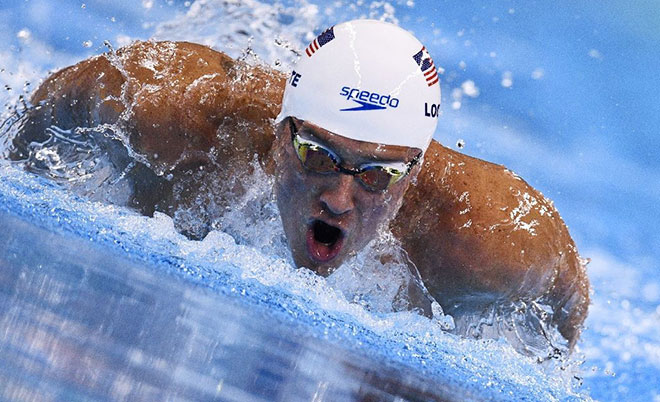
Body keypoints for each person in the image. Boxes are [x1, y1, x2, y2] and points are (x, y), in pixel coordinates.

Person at [6, 20, 589, 355]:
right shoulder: (170, 111)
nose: (338, 198)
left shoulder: (485, 239)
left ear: (409, 177)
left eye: (376, 175)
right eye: (317, 155)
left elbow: (569, 309)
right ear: (281, 137)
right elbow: (39, 118)